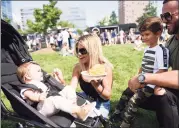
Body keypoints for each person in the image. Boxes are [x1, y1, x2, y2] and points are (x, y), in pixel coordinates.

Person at [113, 0, 179, 128]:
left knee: (160, 92)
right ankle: (118, 115)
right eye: (162, 17)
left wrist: (144, 78)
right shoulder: (170, 42)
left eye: (167, 16)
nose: (164, 21)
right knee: (134, 91)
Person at [56, 34, 113, 119]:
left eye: (83, 51)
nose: (79, 54)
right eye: (77, 50)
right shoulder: (78, 67)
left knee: (91, 122)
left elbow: (107, 96)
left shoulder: (105, 68)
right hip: (85, 98)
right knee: (66, 114)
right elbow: (71, 89)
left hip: (101, 103)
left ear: (93, 50)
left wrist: (94, 82)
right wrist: (61, 82)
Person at [17, 62, 96, 121]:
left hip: (51, 103)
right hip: (41, 110)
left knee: (68, 89)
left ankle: (75, 107)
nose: (41, 72)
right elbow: (30, 95)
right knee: (55, 100)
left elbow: (52, 91)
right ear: (27, 76)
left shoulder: (40, 83)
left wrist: (57, 80)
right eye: (38, 71)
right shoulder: (26, 88)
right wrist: (38, 97)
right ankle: (78, 111)